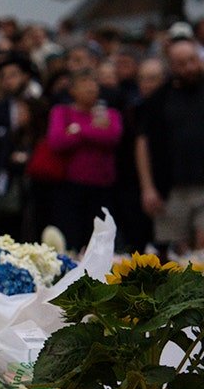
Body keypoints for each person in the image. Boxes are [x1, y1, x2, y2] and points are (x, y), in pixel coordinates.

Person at [136, 38, 204, 251]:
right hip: (170, 189)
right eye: (182, 63)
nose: (190, 68)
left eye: (193, 60)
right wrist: (147, 187)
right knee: (176, 255)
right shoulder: (159, 99)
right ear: (172, 67)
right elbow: (143, 143)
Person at [45, 70, 122, 251]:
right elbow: (57, 141)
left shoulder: (110, 114)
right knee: (70, 239)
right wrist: (93, 129)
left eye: (92, 83)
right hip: (69, 186)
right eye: (84, 82)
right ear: (72, 90)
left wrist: (78, 130)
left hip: (102, 187)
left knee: (98, 242)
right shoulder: (61, 112)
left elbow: (112, 137)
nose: (90, 87)